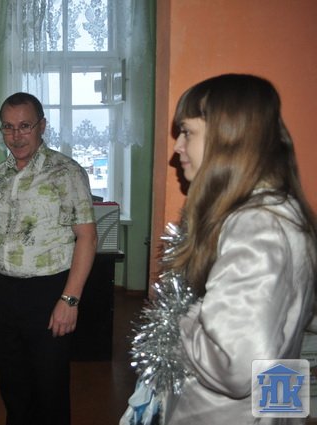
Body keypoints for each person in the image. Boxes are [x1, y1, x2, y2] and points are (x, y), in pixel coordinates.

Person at [124, 74, 317, 425]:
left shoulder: (257, 228)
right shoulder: (282, 211)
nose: (177, 148)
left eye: (187, 132)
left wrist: (179, 315)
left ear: (227, 137)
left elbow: (235, 366)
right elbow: (283, 336)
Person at [0, 92, 97, 425]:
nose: (16, 136)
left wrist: (70, 300)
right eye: (8, 127)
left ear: (42, 126)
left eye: (25, 126)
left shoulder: (66, 172)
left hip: (49, 291)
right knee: (12, 385)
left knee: (49, 388)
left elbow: (87, 237)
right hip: (5, 291)